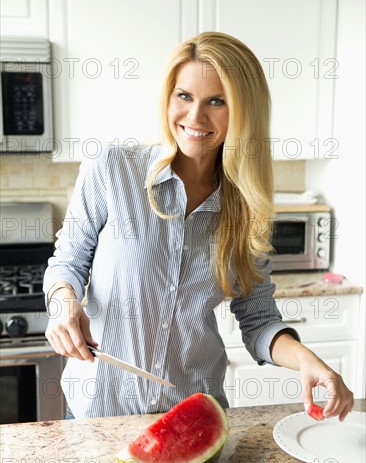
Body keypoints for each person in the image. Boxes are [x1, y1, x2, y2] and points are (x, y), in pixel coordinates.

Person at [43, 31, 354, 420]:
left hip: (194, 411)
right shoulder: (112, 168)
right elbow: (66, 263)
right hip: (100, 410)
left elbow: (258, 320)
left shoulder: (245, 208)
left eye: (216, 102)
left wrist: (309, 361)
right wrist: (63, 304)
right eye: (184, 96)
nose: (195, 117)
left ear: (243, 112)